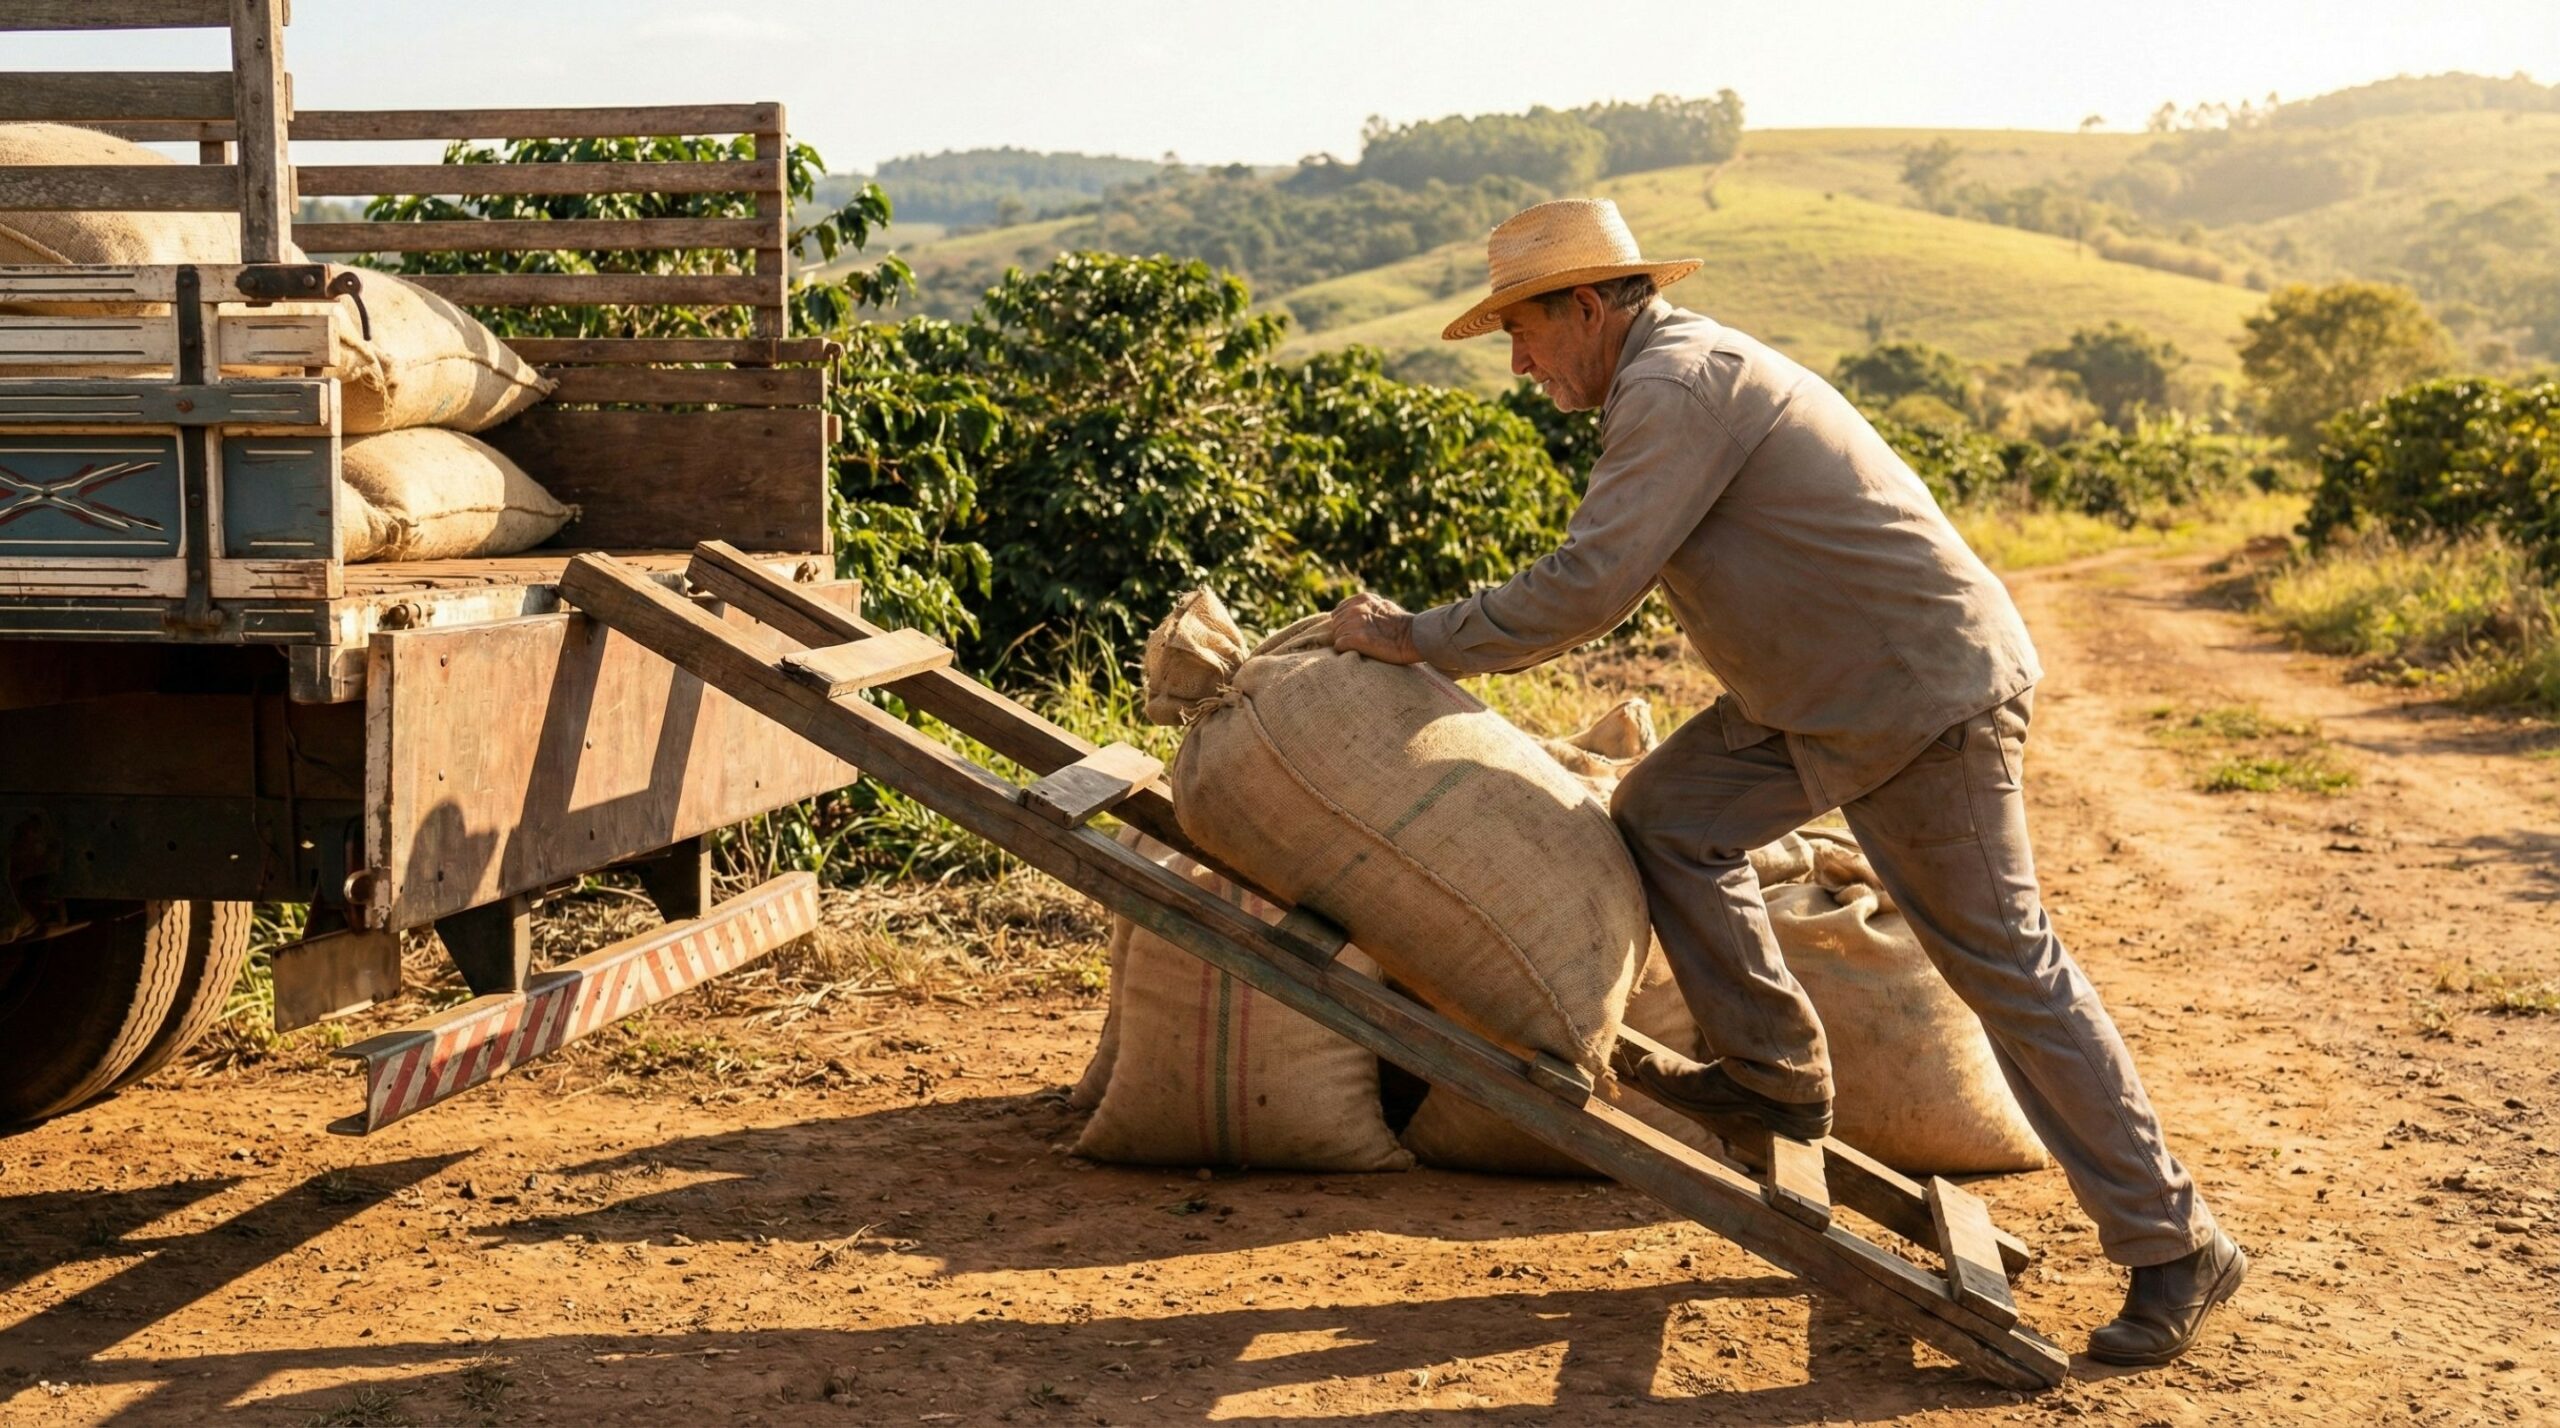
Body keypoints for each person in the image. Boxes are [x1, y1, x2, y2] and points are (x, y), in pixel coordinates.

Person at [1327, 198, 2243, 1368]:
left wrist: (1415, 636)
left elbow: (1587, 585)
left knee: (2004, 967)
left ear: (1592, 304)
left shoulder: (1675, 386)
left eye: (1525, 328)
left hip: (1915, 696)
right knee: (1668, 816)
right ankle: (1773, 1073)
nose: (1517, 360)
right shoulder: (1666, 378)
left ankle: (2176, 1244)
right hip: (1814, 699)